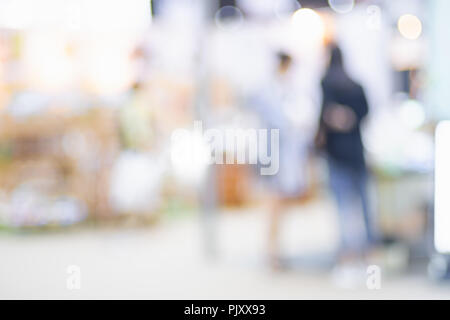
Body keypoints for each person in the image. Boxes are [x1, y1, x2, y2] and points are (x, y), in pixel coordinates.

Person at [317, 44, 377, 274]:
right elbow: (366, 113)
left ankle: (348, 254)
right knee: (363, 203)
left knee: (343, 204)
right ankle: (370, 250)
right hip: (356, 150)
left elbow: (322, 116)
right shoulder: (356, 85)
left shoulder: (327, 83)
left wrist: (335, 119)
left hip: (337, 152)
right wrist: (351, 118)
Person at [250, 52, 312, 269]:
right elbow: (280, 123)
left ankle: (275, 250)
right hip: (271, 157)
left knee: (279, 206)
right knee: (272, 205)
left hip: (282, 157)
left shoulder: (283, 90)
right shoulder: (268, 91)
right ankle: (271, 252)